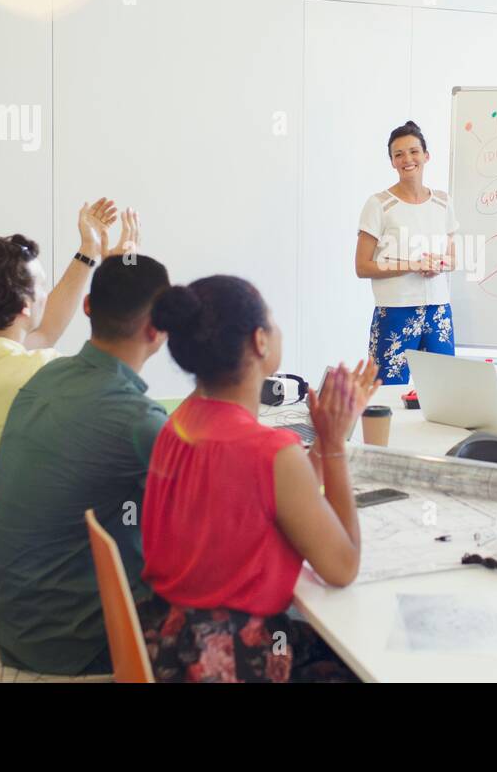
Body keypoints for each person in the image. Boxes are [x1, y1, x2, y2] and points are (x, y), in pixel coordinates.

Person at [140, 275, 378, 682]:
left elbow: (286, 498)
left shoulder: (177, 424)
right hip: (230, 660)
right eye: (273, 321)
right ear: (260, 342)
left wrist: (322, 438)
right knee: (368, 659)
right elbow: (342, 567)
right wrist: (336, 444)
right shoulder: (269, 451)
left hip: (166, 643)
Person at [0, 254, 170, 675]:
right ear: (159, 329)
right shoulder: (138, 419)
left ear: (87, 307)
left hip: (18, 630)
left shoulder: (45, 379)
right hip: (82, 647)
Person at [0, 201, 139, 467]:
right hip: (21, 508)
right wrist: (117, 277)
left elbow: (45, 332)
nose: (47, 297)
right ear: (25, 306)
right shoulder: (42, 370)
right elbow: (118, 385)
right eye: (42, 288)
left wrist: (89, 251)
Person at [355, 120, 459, 384]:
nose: (407, 159)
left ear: (426, 155)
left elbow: (453, 259)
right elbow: (363, 266)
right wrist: (412, 264)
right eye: (398, 154)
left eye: (413, 151)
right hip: (395, 310)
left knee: (444, 389)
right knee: (387, 391)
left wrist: (439, 263)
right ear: (392, 162)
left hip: (438, 310)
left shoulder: (442, 202)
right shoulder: (379, 204)